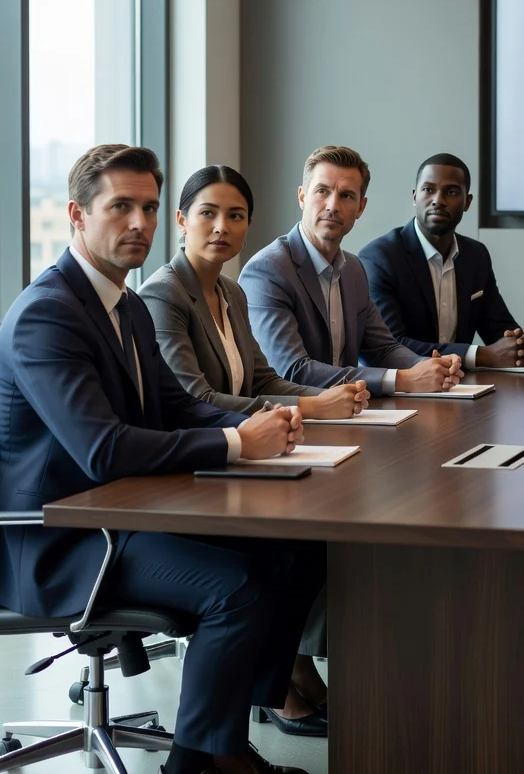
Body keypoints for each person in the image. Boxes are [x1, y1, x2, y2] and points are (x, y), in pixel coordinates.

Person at [0, 144, 321, 774]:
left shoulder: (124, 307)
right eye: (120, 206)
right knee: (237, 588)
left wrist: (264, 426)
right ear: (76, 214)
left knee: (296, 547)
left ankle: (228, 741)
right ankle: (198, 765)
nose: (140, 223)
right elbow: (103, 448)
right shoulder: (47, 314)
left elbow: (178, 407)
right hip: (58, 538)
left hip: (121, 514)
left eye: (148, 206)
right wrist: (236, 444)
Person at [140, 164, 372, 738]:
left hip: (241, 464)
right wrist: (308, 411)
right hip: (191, 472)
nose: (222, 226)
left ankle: (274, 686)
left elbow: (263, 378)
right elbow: (193, 398)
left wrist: (328, 396)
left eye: (236, 216)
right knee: (284, 552)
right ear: (180, 221)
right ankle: (274, 693)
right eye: (208, 213)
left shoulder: (230, 292)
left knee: (313, 545)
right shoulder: (161, 295)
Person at [239, 146, 464, 395]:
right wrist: (403, 379)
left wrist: (429, 366)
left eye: (346, 195)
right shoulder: (267, 270)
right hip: (290, 422)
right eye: (322, 191)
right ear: (302, 197)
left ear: (360, 207)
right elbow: (293, 371)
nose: (333, 205)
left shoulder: (354, 269)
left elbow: (383, 349)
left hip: (349, 415)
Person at [358, 153, 524, 368]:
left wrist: (516, 344)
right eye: (428, 190)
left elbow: (497, 325)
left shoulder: (476, 255)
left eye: (452, 192)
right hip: (401, 390)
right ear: (415, 197)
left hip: (462, 387)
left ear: (467, 202)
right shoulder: (380, 257)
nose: (438, 200)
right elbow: (391, 345)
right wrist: (480, 355)